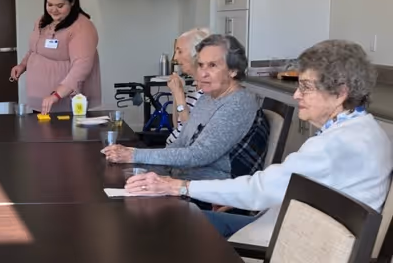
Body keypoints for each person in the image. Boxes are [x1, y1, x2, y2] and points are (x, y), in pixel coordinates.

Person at [124, 40, 392, 244]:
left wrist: (178, 187)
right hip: (282, 225)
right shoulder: (364, 130)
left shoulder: (338, 145)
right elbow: (283, 186)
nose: (297, 94)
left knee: (165, 224)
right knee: (173, 218)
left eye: (307, 87)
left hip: (286, 243)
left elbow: (262, 188)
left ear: (340, 93)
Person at [103, 35, 262, 181]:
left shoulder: (238, 103)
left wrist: (135, 155)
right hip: (180, 179)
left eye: (212, 65)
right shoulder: (208, 97)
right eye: (200, 65)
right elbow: (181, 142)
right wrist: (145, 163)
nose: (203, 74)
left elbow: (199, 155)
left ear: (233, 70)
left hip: (208, 190)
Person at [10, 0, 101, 114]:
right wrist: (22, 65)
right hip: (40, 101)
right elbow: (35, 49)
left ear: (72, 2)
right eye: (49, 5)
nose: (53, 10)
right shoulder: (42, 21)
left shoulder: (82, 27)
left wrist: (57, 94)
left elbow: (81, 66)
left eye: (60, 6)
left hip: (63, 103)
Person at [166, 28, 210, 145]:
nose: (175, 58)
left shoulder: (209, 92)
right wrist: (177, 94)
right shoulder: (194, 85)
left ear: (196, 54)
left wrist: (180, 97)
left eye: (179, 51)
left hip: (182, 156)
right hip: (171, 149)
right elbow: (177, 127)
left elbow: (191, 136)